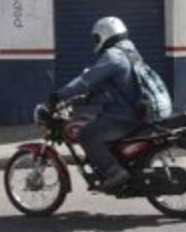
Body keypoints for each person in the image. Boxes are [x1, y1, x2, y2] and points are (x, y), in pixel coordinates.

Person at [55, 16, 144, 192]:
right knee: (97, 123)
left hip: (124, 116)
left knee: (86, 134)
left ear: (105, 35)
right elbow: (117, 83)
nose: (95, 42)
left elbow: (86, 80)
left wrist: (58, 95)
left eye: (96, 38)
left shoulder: (113, 56)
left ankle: (114, 172)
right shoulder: (130, 51)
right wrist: (89, 96)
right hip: (135, 111)